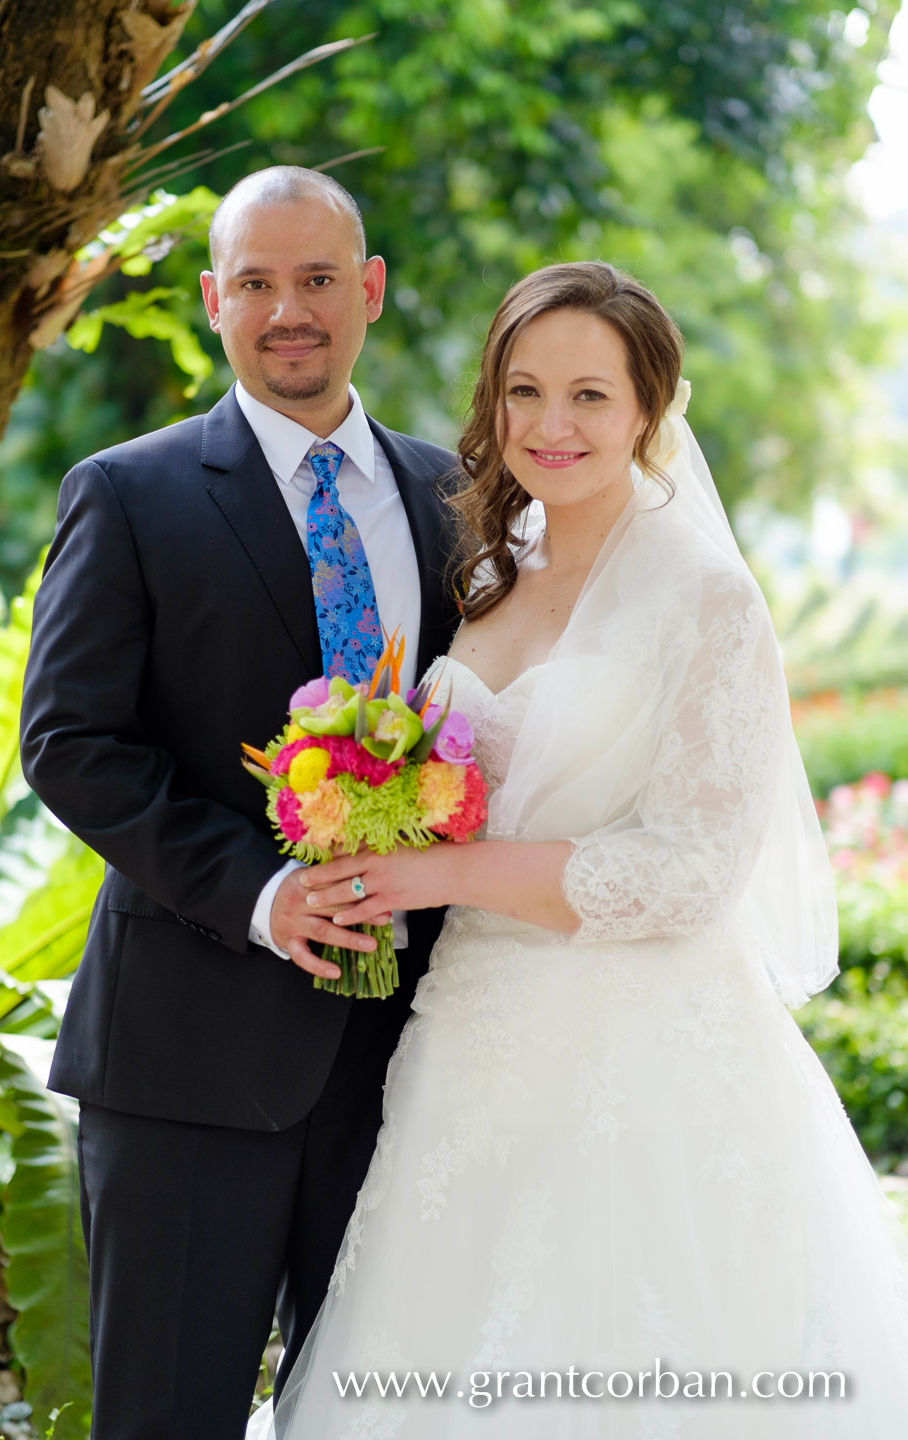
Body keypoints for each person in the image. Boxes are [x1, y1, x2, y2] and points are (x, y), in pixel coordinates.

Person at [250, 261, 908, 1438]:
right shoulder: (494, 573)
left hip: (639, 1064)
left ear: (652, 408)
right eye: (525, 392)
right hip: (466, 1044)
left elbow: (692, 872)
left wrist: (434, 873)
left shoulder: (707, 598)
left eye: (591, 397)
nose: (551, 427)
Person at [19, 166, 460, 1440]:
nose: (289, 310)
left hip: (405, 1065)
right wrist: (263, 892)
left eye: (318, 278)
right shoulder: (129, 493)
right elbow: (69, 741)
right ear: (215, 301)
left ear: (368, 291)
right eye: (257, 282)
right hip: (184, 1062)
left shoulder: (455, 499)